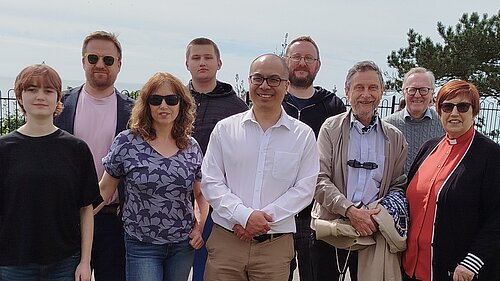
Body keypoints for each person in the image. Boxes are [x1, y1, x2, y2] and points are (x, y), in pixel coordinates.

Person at [201, 54, 320, 281]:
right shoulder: (225, 130)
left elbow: (304, 189)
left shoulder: (302, 135)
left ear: (287, 86)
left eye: (274, 79)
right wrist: (244, 216)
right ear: (249, 82)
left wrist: (260, 222)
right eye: (258, 78)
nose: (265, 86)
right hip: (227, 242)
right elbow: (211, 182)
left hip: (274, 248)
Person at [98, 72, 207, 281]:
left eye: (171, 99)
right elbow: (104, 190)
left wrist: (198, 227)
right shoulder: (128, 142)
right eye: (156, 100)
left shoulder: (191, 146)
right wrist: (75, 218)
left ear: (181, 104)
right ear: (146, 105)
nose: (163, 106)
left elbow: (200, 195)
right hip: (141, 244)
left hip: (181, 245)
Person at [0, 64, 100, 280]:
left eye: (48, 91)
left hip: (64, 263)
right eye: (32, 89)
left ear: (58, 98)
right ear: (20, 96)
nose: (40, 96)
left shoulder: (77, 149)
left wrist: (85, 261)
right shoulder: (4, 149)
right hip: (12, 264)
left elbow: (86, 210)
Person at [311, 61, 408, 281]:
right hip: (330, 229)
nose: (366, 94)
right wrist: (350, 211)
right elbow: (318, 178)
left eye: (372, 87)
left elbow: (397, 185)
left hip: (371, 232)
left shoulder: (395, 138)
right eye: (359, 88)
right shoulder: (330, 129)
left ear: (382, 92)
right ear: (347, 92)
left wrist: (375, 217)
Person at [54, 30, 133, 281]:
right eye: (93, 58)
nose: (100, 64)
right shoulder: (59, 107)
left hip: (114, 219)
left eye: (108, 60)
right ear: (83, 60)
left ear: (119, 65)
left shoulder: (134, 113)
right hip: (67, 218)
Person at [403, 80, 500, 281]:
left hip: (458, 272)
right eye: (447, 106)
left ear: (474, 112)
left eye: (463, 106)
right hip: (411, 268)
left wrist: (471, 263)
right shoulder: (429, 148)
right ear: (439, 112)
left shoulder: (491, 155)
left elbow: (496, 218)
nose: (454, 113)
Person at [282, 35, 346, 281]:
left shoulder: (333, 105)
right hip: (279, 211)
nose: (302, 62)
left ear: (318, 65)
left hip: (318, 210)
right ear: (287, 61)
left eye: (309, 58)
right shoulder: (274, 100)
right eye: (296, 57)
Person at [185, 37, 248, 281]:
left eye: (208, 57)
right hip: (173, 199)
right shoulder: (173, 100)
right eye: (196, 58)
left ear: (219, 63)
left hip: (217, 204)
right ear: (187, 63)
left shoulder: (237, 108)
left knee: (207, 273)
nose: (202, 63)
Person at [384, 67, 444, 174]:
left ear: (432, 93)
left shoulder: (443, 125)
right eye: (411, 90)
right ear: (403, 92)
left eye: (423, 90)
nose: (417, 95)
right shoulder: (387, 126)